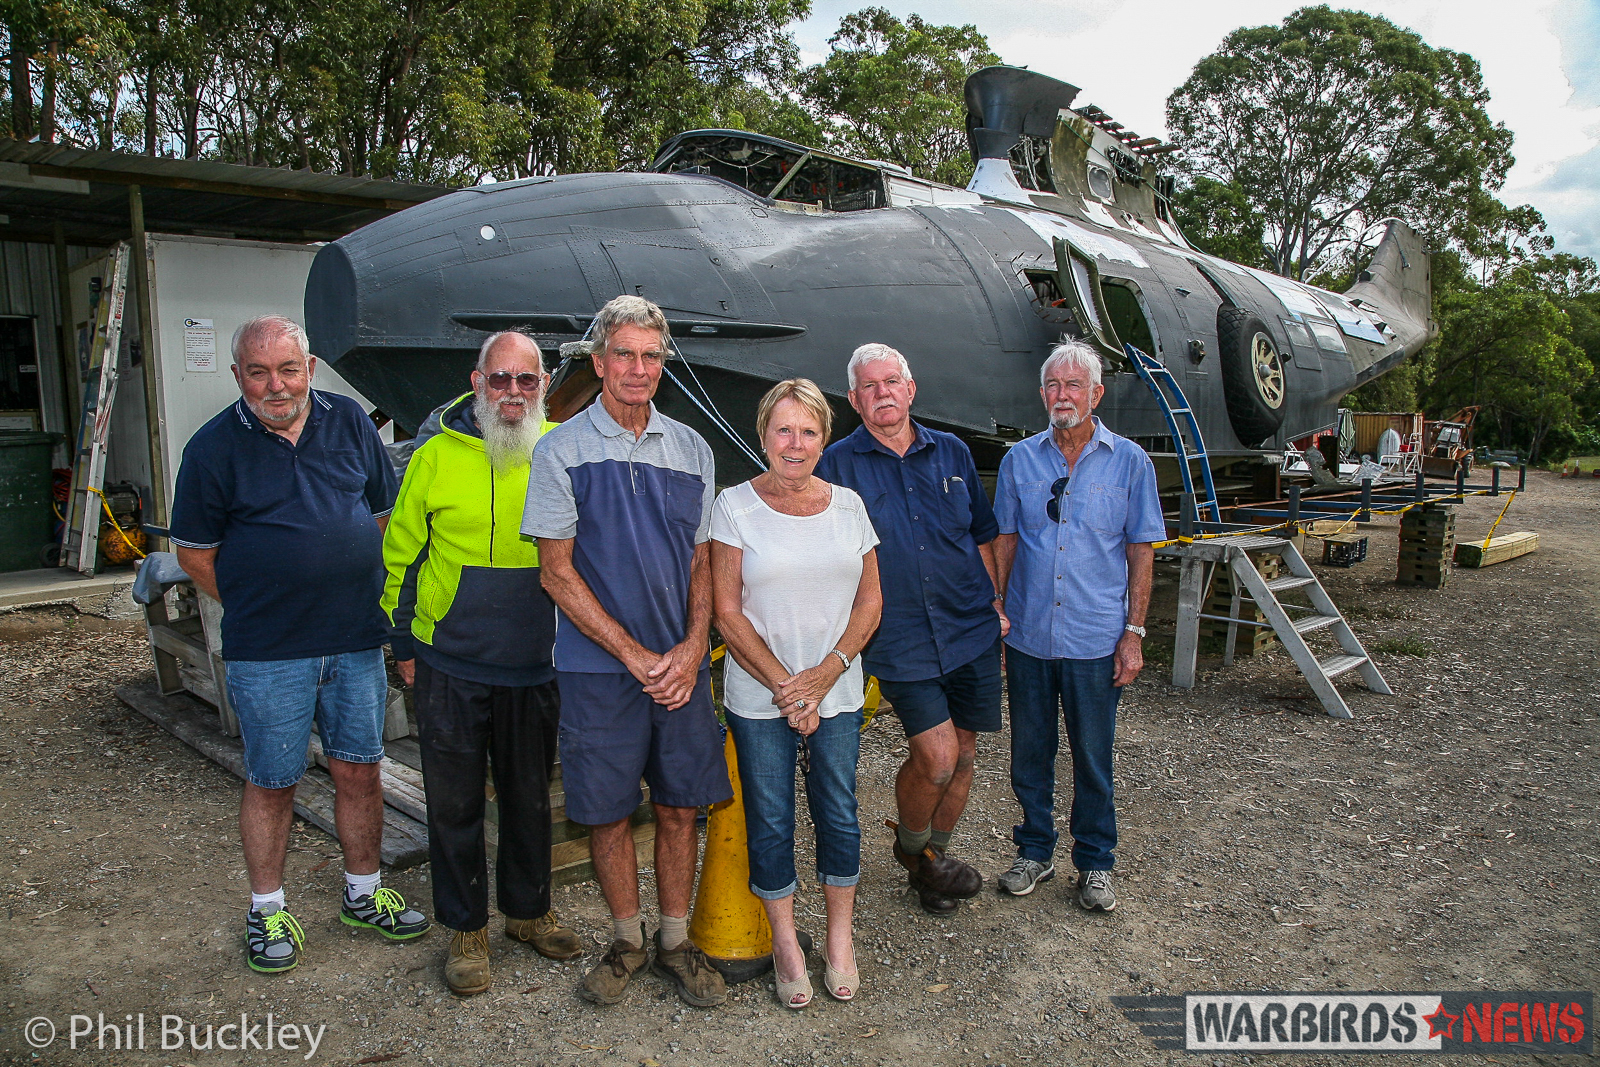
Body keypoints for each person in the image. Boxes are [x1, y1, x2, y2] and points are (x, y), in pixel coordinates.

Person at [169, 315, 429, 974]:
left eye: (288, 368)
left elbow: (382, 514)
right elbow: (195, 552)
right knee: (272, 780)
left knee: (359, 769)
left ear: (309, 369)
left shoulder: (348, 422)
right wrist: (262, 598)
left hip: (353, 641)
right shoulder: (212, 447)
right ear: (238, 377)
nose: (275, 384)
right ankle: (266, 908)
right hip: (268, 649)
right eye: (258, 371)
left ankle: (363, 894)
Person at [522, 295, 732, 1008]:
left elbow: (704, 560)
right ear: (599, 361)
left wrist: (694, 644)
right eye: (624, 354)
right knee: (607, 811)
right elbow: (557, 571)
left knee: (680, 806)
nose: (637, 368)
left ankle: (675, 941)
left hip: (680, 665)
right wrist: (635, 654)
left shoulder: (692, 449)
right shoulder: (559, 450)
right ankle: (627, 941)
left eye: (650, 355)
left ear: (661, 363)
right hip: (596, 670)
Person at [381, 330, 582, 996]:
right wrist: (404, 643)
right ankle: (466, 928)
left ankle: (527, 912)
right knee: (454, 801)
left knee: (529, 798)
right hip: (450, 660)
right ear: (477, 382)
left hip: (537, 660)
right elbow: (402, 552)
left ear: (544, 384)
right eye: (501, 380)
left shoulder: (566, 452)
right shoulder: (434, 456)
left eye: (527, 380)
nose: (514, 393)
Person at [817, 343, 1007, 916]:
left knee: (968, 756)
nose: (882, 394)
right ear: (854, 400)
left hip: (969, 626)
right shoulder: (835, 465)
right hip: (896, 635)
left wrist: (994, 602)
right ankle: (914, 853)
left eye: (891, 382)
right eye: (869, 387)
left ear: (911, 388)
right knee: (939, 758)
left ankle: (934, 865)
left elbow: (981, 533)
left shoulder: (951, 451)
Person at [711, 378, 882, 1008]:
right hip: (761, 698)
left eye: (808, 431)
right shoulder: (733, 507)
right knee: (771, 817)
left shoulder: (848, 507)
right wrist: (787, 686)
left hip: (835, 693)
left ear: (823, 439)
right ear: (763, 436)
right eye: (783, 430)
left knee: (838, 810)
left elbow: (871, 601)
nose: (794, 443)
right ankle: (786, 943)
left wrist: (826, 674)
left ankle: (840, 938)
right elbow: (727, 611)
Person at [992, 341, 1166, 910]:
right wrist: (996, 608)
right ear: (1042, 394)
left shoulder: (1130, 462)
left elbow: (1142, 551)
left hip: (1095, 637)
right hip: (1029, 636)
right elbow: (1006, 540)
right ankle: (1034, 850)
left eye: (1074, 386)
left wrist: (1134, 633)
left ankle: (1095, 862)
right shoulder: (1020, 461)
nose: (1062, 396)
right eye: (1053, 386)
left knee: (1094, 755)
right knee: (1030, 750)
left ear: (1096, 394)